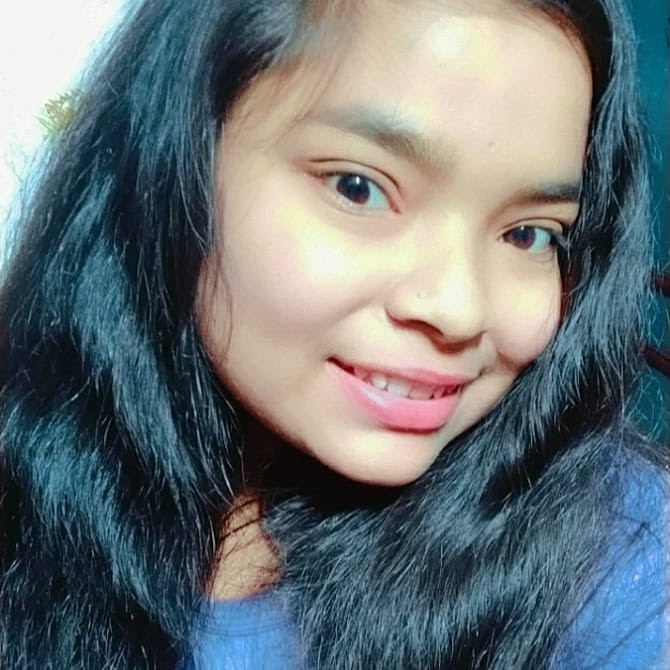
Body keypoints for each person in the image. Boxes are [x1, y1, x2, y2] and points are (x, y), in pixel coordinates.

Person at [0, 0, 667, 668]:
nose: (459, 309)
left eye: (528, 234)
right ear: (175, 160)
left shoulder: (623, 568)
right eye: (358, 188)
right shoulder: (29, 470)